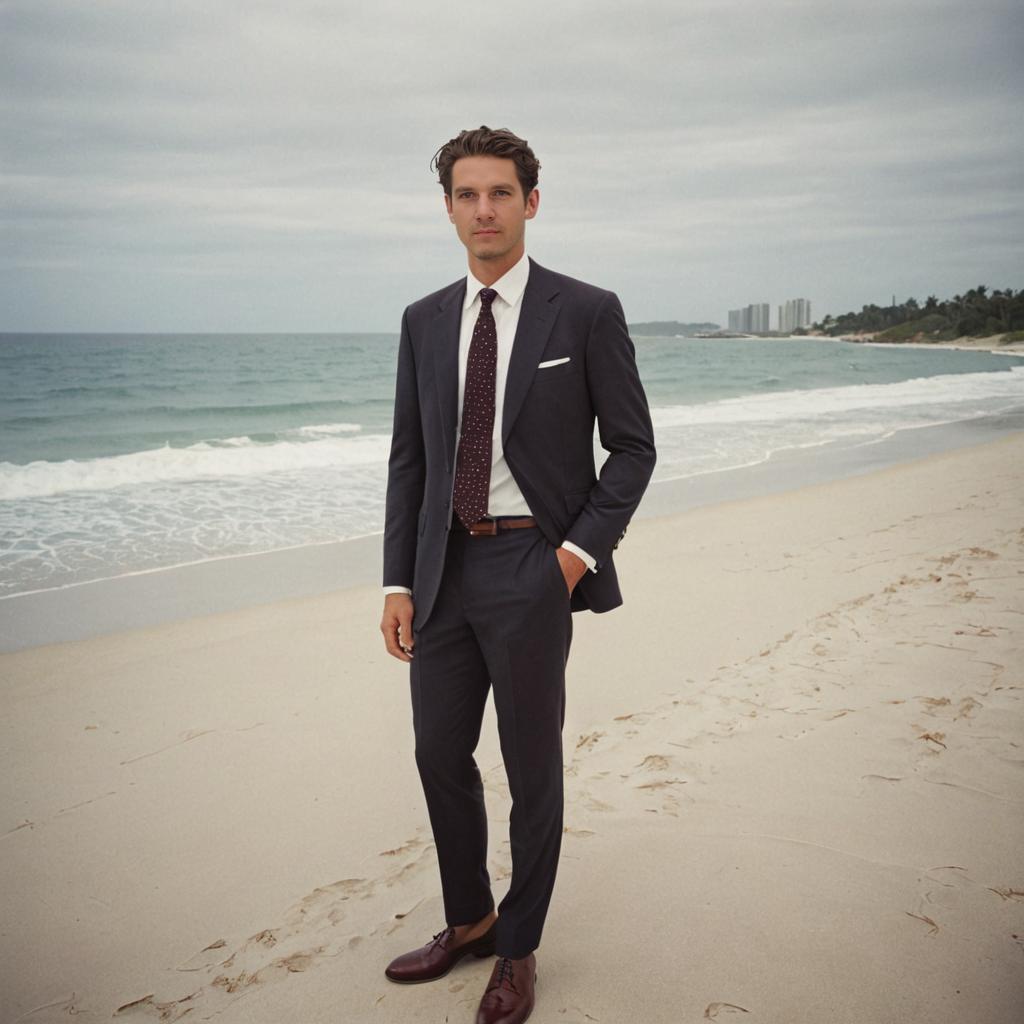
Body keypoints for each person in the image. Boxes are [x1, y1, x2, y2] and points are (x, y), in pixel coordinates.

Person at [379, 126, 656, 1024]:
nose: (484, 210)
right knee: (436, 753)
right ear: (449, 207)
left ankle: (520, 948)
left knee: (532, 768)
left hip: (533, 563)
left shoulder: (585, 310)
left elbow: (632, 449)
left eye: (501, 193)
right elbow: (409, 463)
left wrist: (573, 557)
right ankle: (470, 919)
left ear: (531, 203)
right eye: (468, 194)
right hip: (443, 569)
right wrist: (397, 582)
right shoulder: (424, 320)